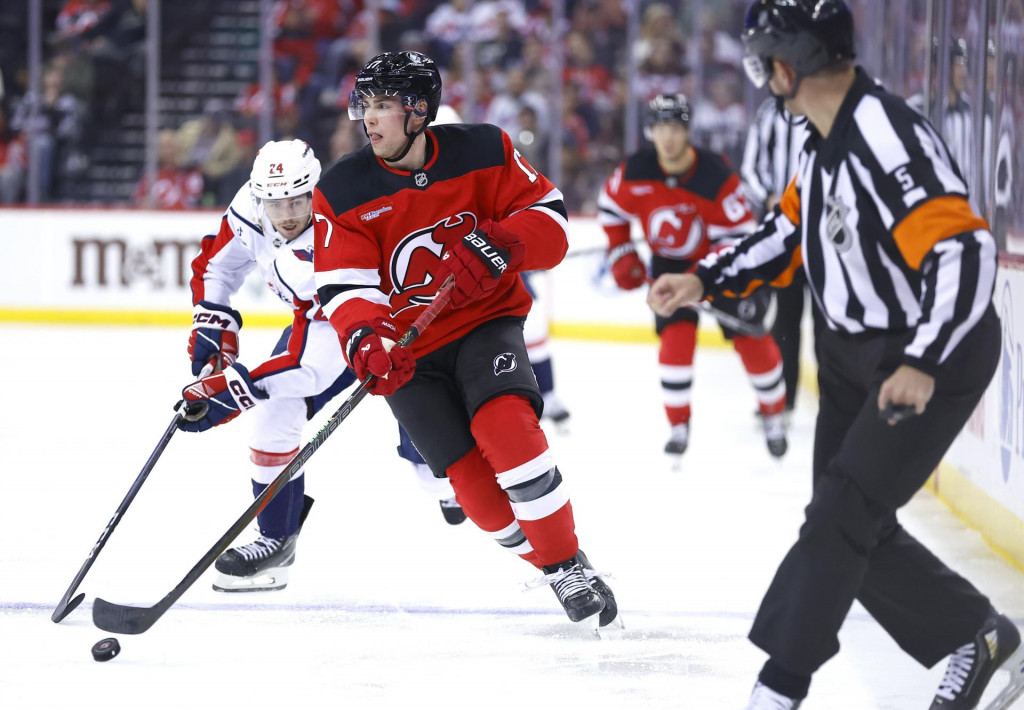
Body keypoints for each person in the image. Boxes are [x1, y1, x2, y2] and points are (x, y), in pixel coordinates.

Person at [647, 2, 1023, 708]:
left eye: (763, 58)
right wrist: (706, 276)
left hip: (923, 352)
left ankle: (778, 689)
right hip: (854, 354)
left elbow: (963, 249)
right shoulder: (817, 133)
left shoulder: (883, 134)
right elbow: (788, 226)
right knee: (850, 521)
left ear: (787, 65)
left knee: (840, 518)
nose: (760, 73)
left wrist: (923, 358)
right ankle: (980, 636)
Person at [311, 50, 617, 627]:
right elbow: (345, 287)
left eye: (381, 106)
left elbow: (551, 226)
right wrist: (367, 342)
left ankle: (563, 565)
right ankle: (561, 563)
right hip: (408, 356)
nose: (367, 120)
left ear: (418, 110)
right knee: (477, 496)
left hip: (483, 325)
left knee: (506, 430)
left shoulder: (485, 150)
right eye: (364, 106)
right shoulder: (344, 189)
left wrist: (502, 241)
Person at [598, 92, 788, 461]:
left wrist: (703, 279)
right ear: (650, 132)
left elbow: (739, 237)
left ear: (687, 131)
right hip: (669, 269)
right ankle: (678, 425)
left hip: (721, 268)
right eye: (659, 128)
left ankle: (773, 415)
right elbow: (610, 209)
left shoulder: (715, 175)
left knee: (752, 340)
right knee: (676, 339)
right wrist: (621, 251)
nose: (667, 137)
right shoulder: (635, 169)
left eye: (674, 128)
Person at [741, 96, 813, 415]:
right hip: (782, 232)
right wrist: (770, 197)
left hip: (826, 230)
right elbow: (750, 168)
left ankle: (838, 402)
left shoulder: (827, 106)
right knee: (785, 318)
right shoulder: (770, 112)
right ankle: (784, 399)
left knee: (831, 321)